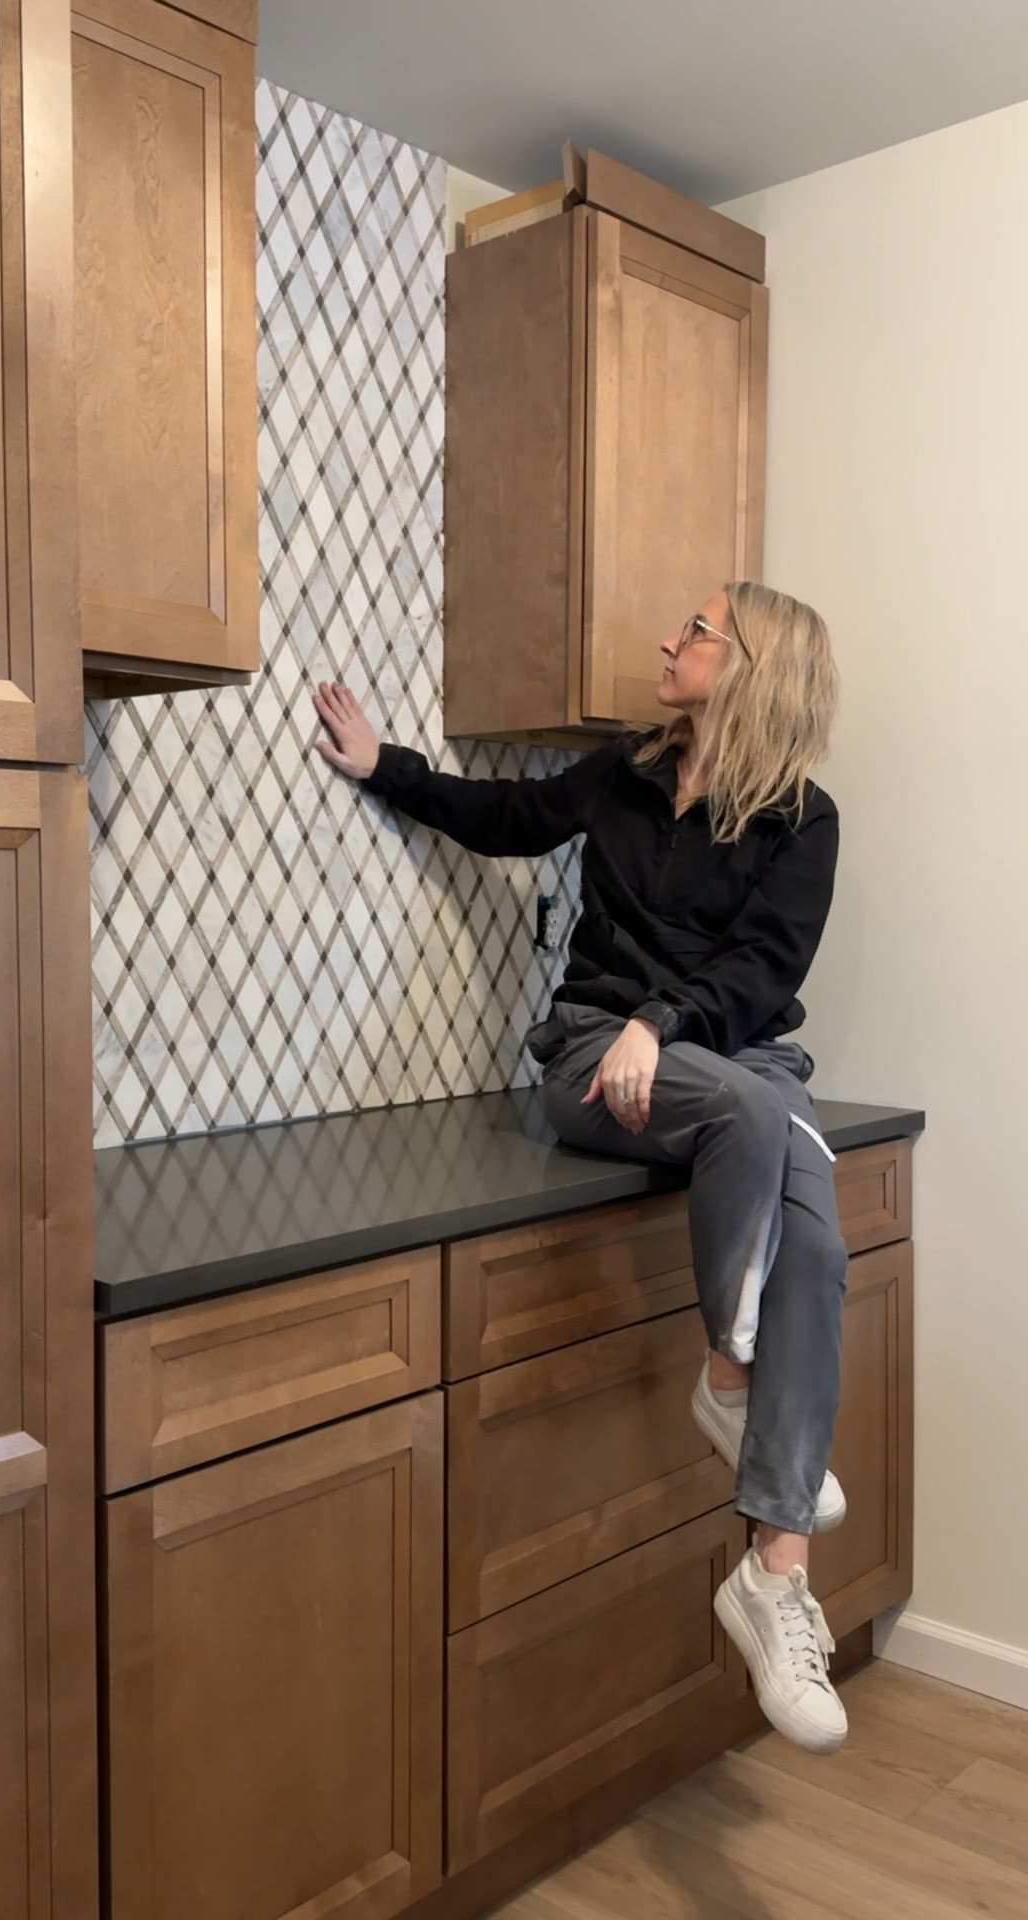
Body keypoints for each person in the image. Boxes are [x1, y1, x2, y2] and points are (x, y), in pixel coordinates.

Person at [313, 580, 848, 1754]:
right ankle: (736, 1382)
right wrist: (382, 765)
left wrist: (673, 1021)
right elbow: (507, 817)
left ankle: (775, 1565)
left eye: (698, 631)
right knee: (768, 1122)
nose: (670, 640)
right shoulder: (623, 773)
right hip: (594, 1060)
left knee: (812, 1216)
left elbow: (763, 968)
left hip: (720, 1055)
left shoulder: (802, 819)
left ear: (752, 666)